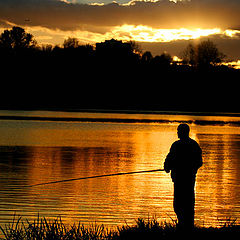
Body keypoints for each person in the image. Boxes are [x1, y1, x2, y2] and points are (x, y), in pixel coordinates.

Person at [164, 123, 203, 230]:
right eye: (177, 130)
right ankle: (183, 225)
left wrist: (169, 166)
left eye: (178, 131)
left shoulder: (180, 145)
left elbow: (198, 162)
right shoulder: (186, 145)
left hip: (186, 180)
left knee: (184, 203)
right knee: (181, 204)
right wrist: (167, 166)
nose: (177, 133)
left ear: (184, 132)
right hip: (180, 179)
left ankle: (186, 226)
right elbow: (169, 160)